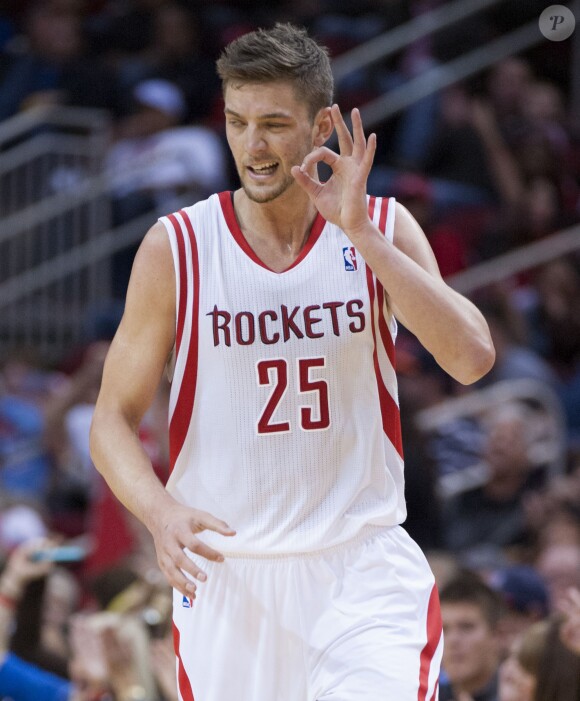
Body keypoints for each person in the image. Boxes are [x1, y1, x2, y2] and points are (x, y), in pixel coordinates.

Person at [90, 22, 495, 701]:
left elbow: (472, 358)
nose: (252, 146)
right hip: (229, 578)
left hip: (360, 570)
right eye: (238, 121)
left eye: (275, 123)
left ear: (322, 125)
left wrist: (359, 231)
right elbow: (111, 417)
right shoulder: (178, 248)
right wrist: (159, 513)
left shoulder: (385, 227)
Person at [438, 570, 505, 701]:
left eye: (466, 627)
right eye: (443, 630)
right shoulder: (428, 695)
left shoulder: (523, 694)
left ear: (497, 635)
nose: (453, 640)